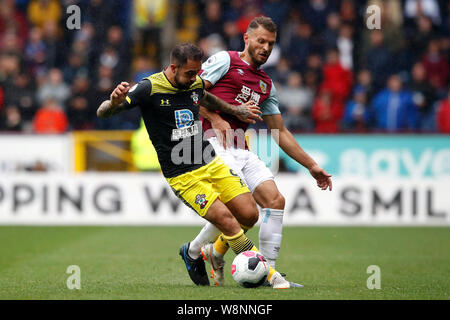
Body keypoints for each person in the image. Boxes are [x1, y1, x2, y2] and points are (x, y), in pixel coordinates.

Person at [96, 42, 299, 289]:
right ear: (173, 68)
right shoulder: (149, 88)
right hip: (183, 174)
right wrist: (113, 102)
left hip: (210, 161)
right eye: (190, 73)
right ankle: (268, 274)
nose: (195, 78)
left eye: (197, 72)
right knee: (227, 219)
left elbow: (205, 95)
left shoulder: (194, 82)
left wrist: (234, 110)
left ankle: (192, 253)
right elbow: (102, 112)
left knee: (249, 214)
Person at [186, 16, 332, 287]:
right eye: (261, 41)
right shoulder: (225, 61)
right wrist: (216, 118)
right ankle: (200, 251)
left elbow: (280, 132)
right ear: (247, 38)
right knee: (245, 212)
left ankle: (263, 271)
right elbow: (191, 92)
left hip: (241, 148)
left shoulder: (266, 85)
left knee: (275, 201)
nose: (265, 47)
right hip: (212, 143)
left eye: (271, 43)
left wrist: (311, 165)